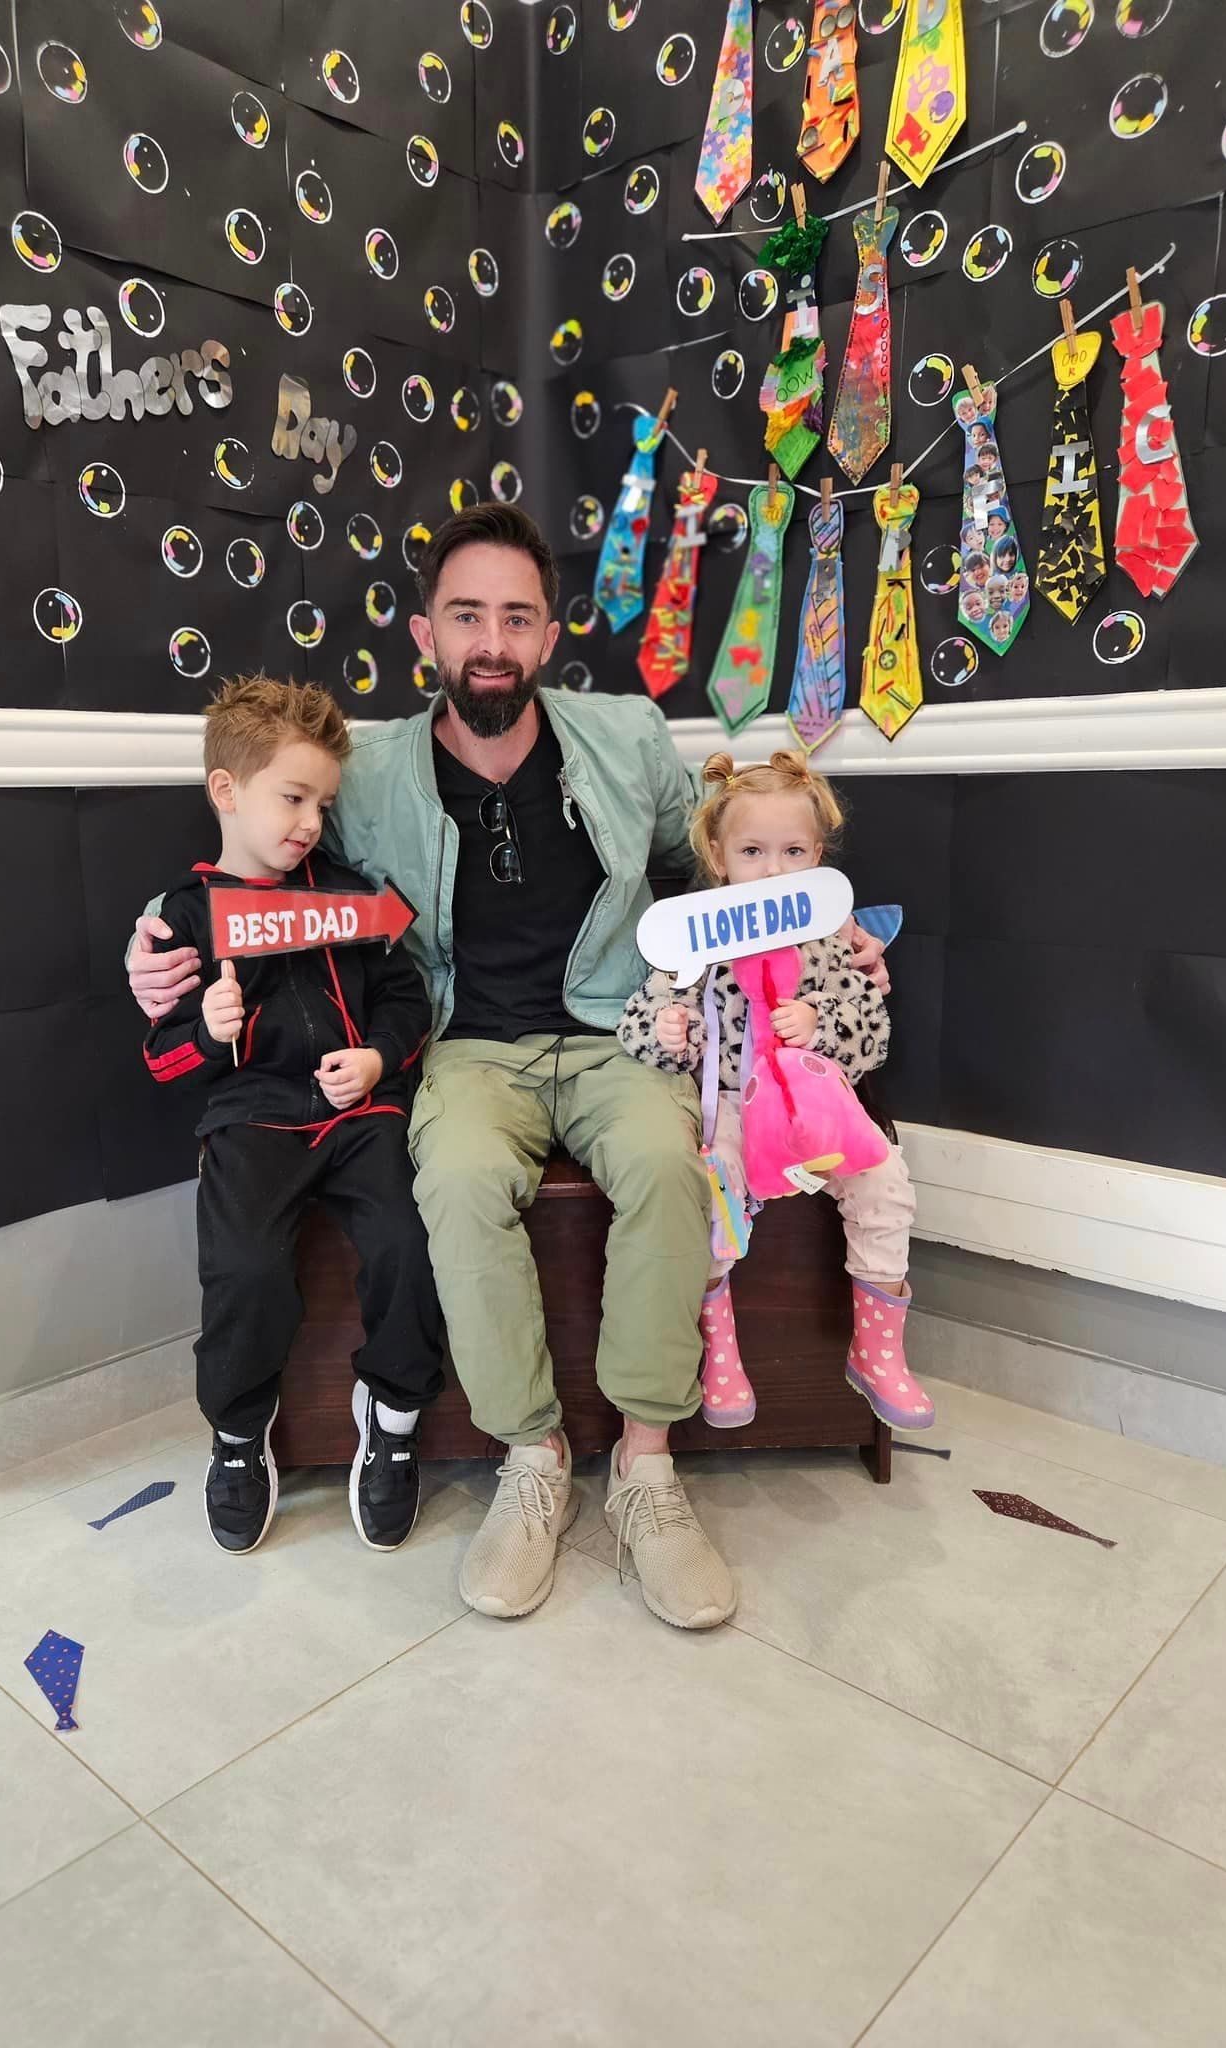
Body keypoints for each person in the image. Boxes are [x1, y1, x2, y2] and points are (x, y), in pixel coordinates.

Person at [130, 503, 890, 1633]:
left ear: (548, 635)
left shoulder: (625, 734)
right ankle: (529, 1456)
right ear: (426, 633)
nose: (492, 639)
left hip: (615, 1030)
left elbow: (719, 863)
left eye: (517, 618)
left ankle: (645, 1468)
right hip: (466, 1046)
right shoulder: (373, 765)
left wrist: (830, 933)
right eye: (467, 614)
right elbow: (259, 861)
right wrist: (156, 931)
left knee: (670, 1169)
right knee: (459, 1182)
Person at [141, 676, 445, 1556]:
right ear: (227, 792)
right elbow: (162, 1057)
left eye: (323, 801)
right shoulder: (183, 917)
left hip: (362, 1114)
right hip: (252, 1120)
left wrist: (381, 1058)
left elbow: (405, 996)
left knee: (406, 1239)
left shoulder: (352, 897)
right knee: (241, 1265)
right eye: (292, 797)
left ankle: (391, 1415)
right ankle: (239, 1436)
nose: (310, 820)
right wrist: (206, 1027)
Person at [616, 750, 933, 1434]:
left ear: (817, 858)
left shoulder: (828, 940)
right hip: (731, 1102)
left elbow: (871, 1034)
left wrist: (820, 1024)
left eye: (793, 851)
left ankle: (876, 1350)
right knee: (711, 1195)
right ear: (719, 856)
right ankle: (719, 1347)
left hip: (819, 1107)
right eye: (753, 851)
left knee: (886, 1182)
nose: (773, 868)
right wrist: (673, 1030)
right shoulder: (696, 941)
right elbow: (638, 1021)